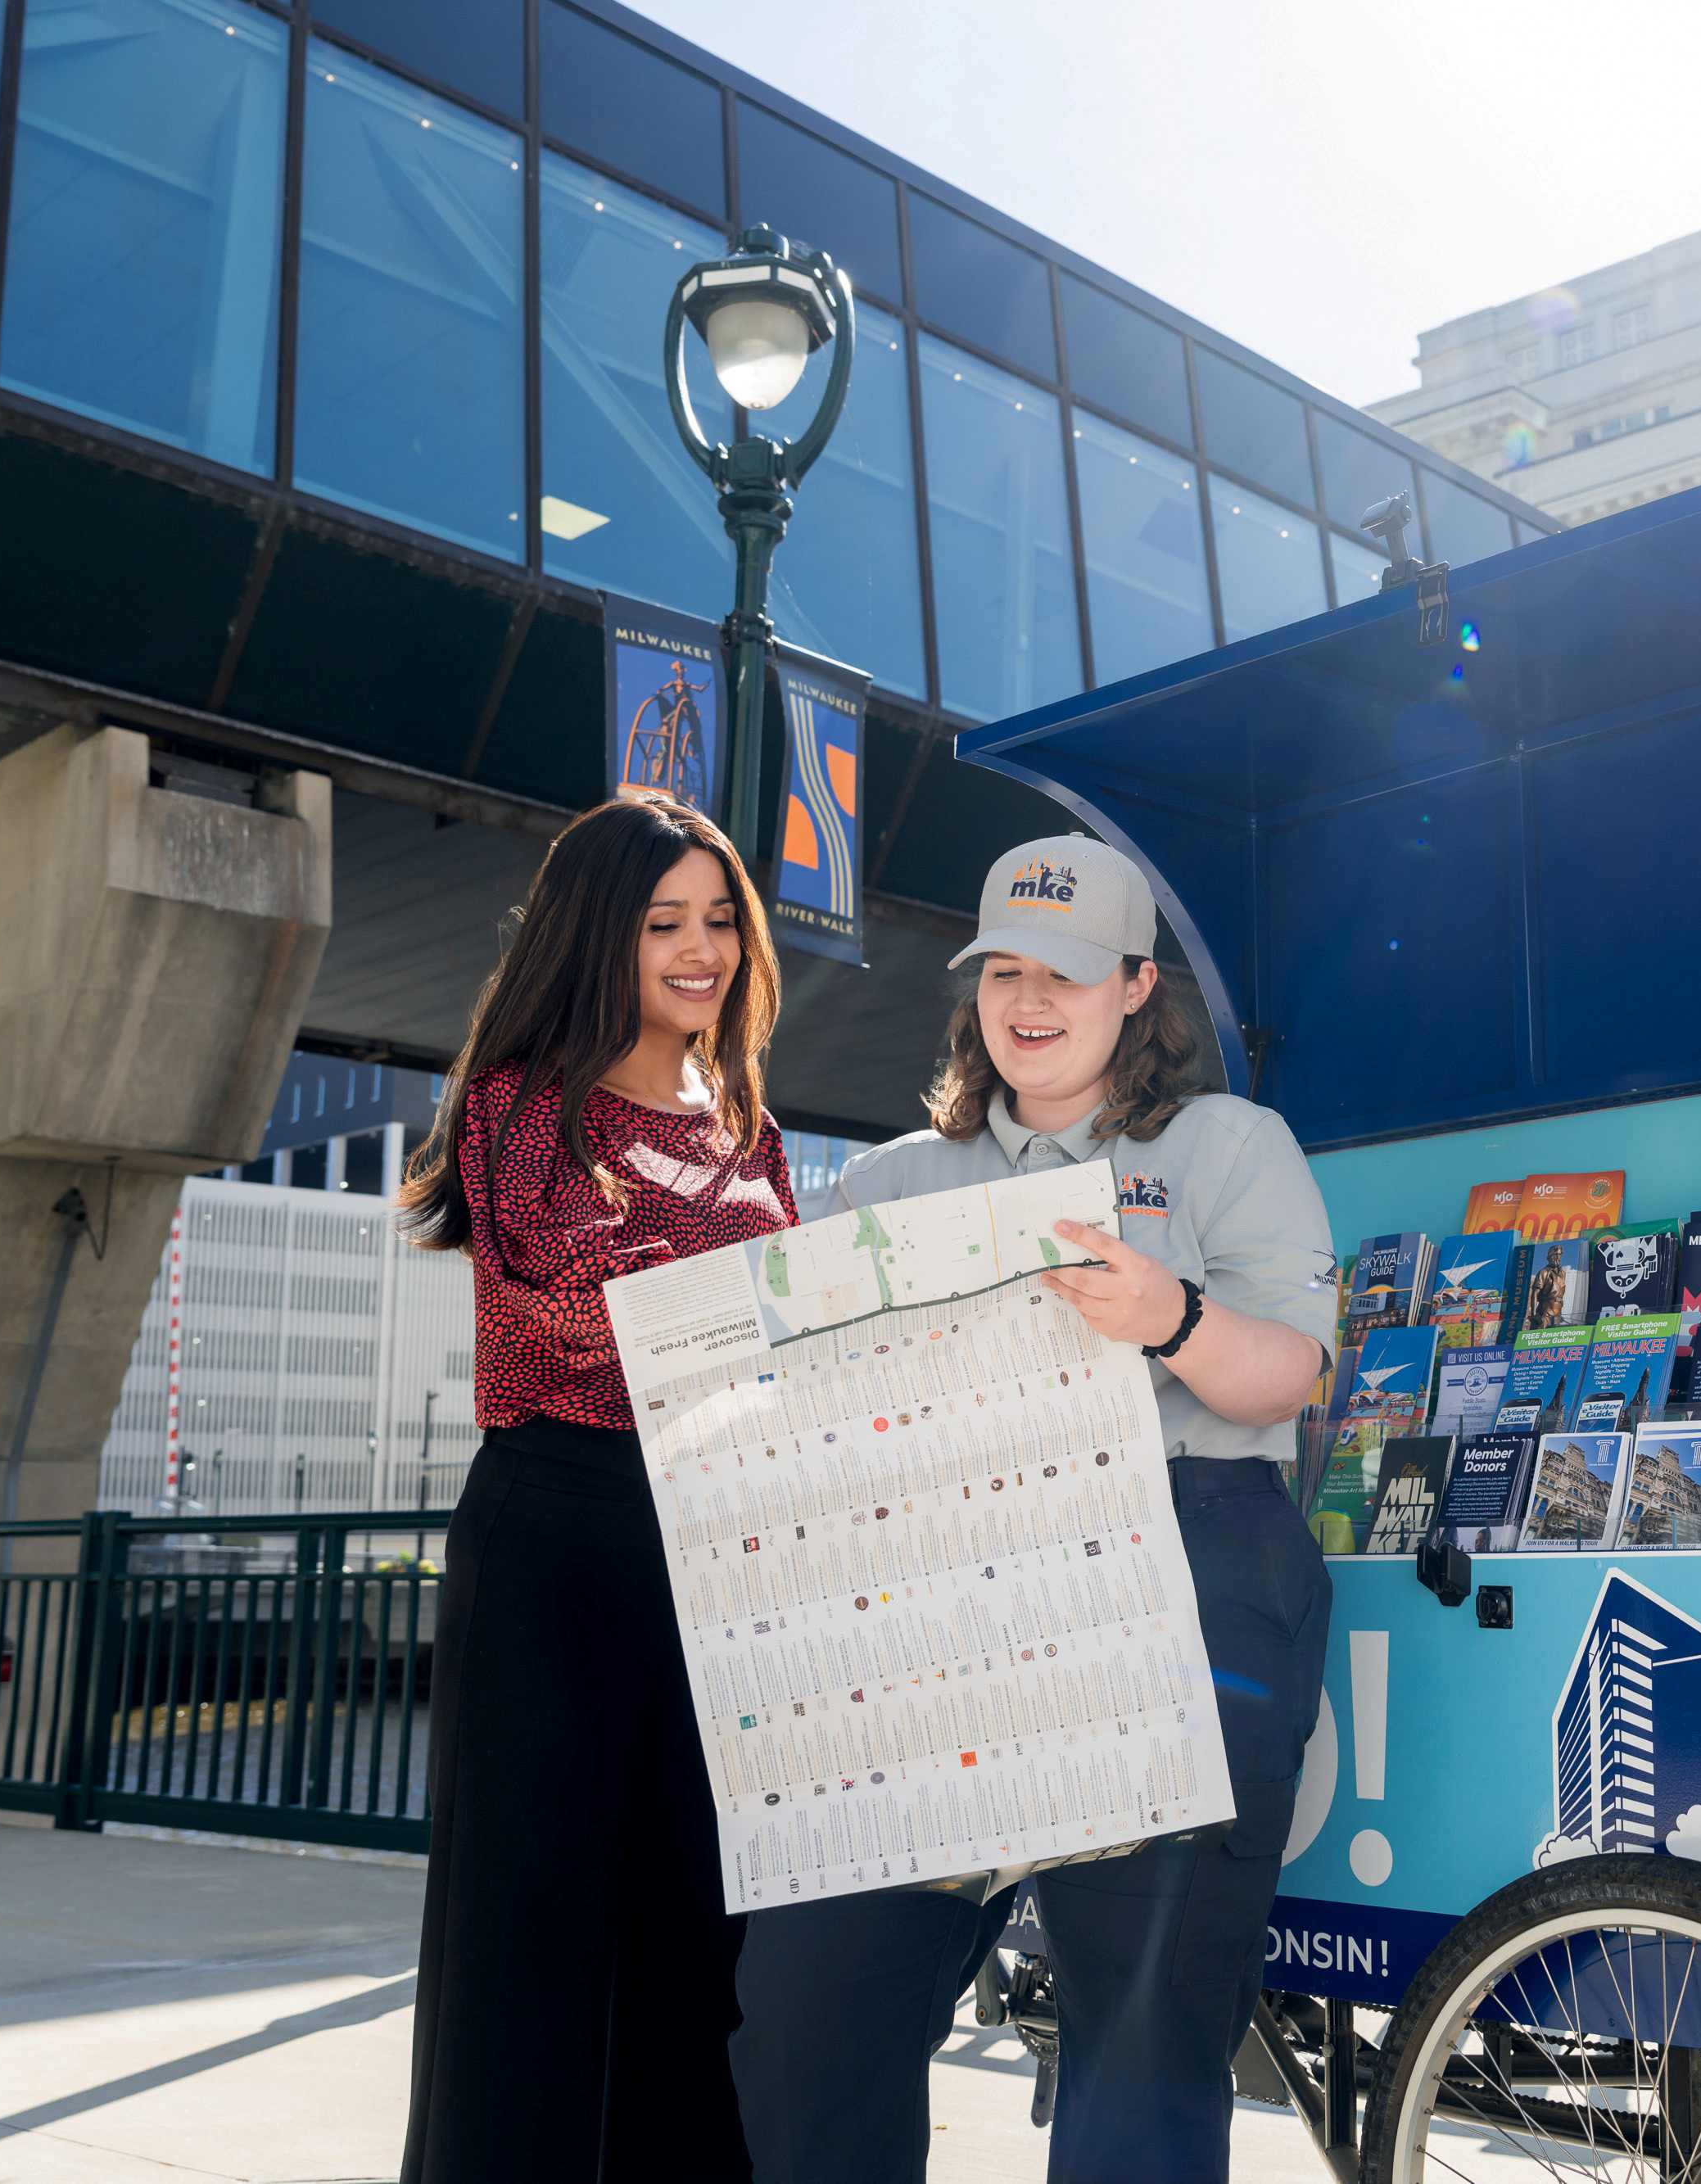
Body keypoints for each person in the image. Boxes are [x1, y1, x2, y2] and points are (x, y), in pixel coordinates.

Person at [732, 834, 1337, 2184]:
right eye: (1004, 968)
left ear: (1135, 987)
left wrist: (1165, 1315)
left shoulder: (1229, 1146)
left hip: (1182, 1568)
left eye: (1065, 971)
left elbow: (1287, 1373)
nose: (1030, 999)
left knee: (1140, 2026)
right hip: (936, 1593)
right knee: (805, 2004)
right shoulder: (890, 1184)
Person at [392, 791, 794, 2184]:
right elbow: (579, 1323)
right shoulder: (520, 1103)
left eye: (721, 919)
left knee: (706, 1938)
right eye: (662, 922)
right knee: (532, 1942)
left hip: (724, 1553)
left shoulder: (750, 1119)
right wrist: (765, 1319)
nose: (701, 950)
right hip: (560, 1537)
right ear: (593, 936)